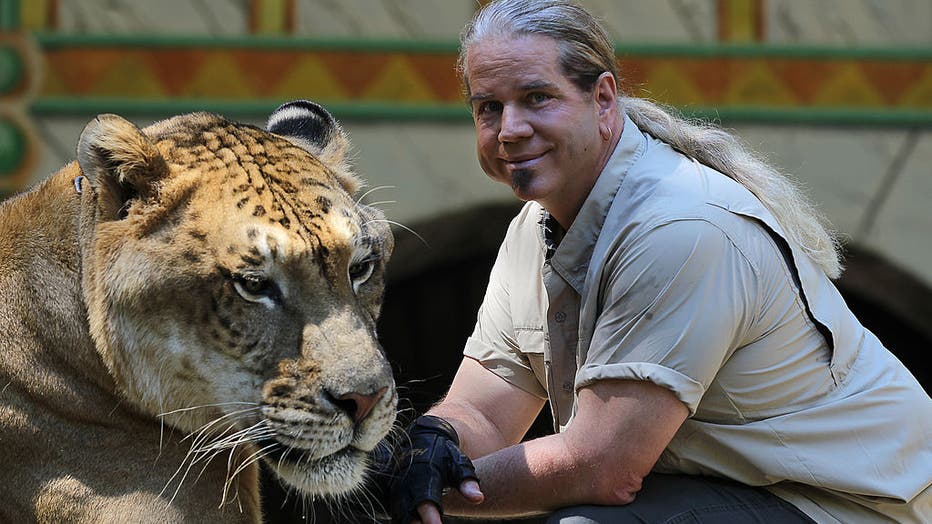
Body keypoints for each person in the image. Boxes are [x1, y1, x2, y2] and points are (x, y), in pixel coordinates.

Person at [374, 1, 932, 522]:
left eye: (537, 98)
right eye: (488, 108)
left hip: (849, 505)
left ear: (604, 99)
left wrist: (410, 492)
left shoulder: (679, 226)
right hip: (728, 489)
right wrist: (434, 444)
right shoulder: (534, 227)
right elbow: (488, 414)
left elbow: (602, 466)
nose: (510, 129)